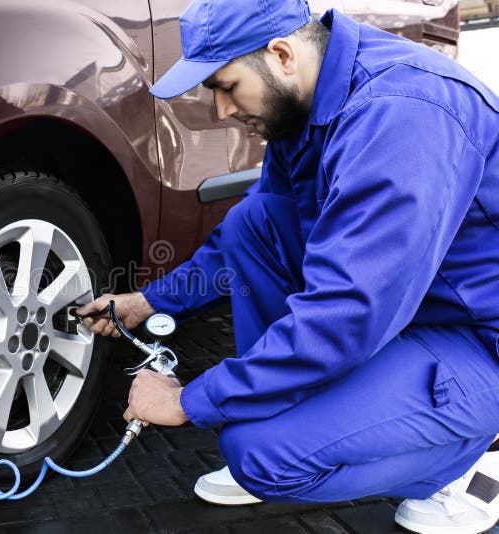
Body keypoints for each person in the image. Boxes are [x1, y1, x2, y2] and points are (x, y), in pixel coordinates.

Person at [76, 0, 499, 532]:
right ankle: (294, 421)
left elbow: (345, 316)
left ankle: (467, 463)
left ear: (281, 55)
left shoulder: (401, 115)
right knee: (254, 221)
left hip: (477, 339)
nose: (221, 111)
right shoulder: (304, 103)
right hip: (408, 307)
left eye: (227, 87)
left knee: (261, 458)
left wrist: (188, 400)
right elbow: (249, 240)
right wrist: (148, 302)